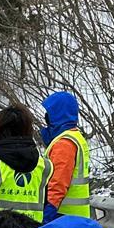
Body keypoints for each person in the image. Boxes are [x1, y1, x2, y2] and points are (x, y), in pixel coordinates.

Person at [41, 91, 92, 221]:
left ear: (56, 114)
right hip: (75, 217)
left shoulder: (64, 143)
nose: (46, 118)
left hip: (63, 217)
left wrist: (45, 216)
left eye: (49, 113)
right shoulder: (75, 137)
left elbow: (58, 184)